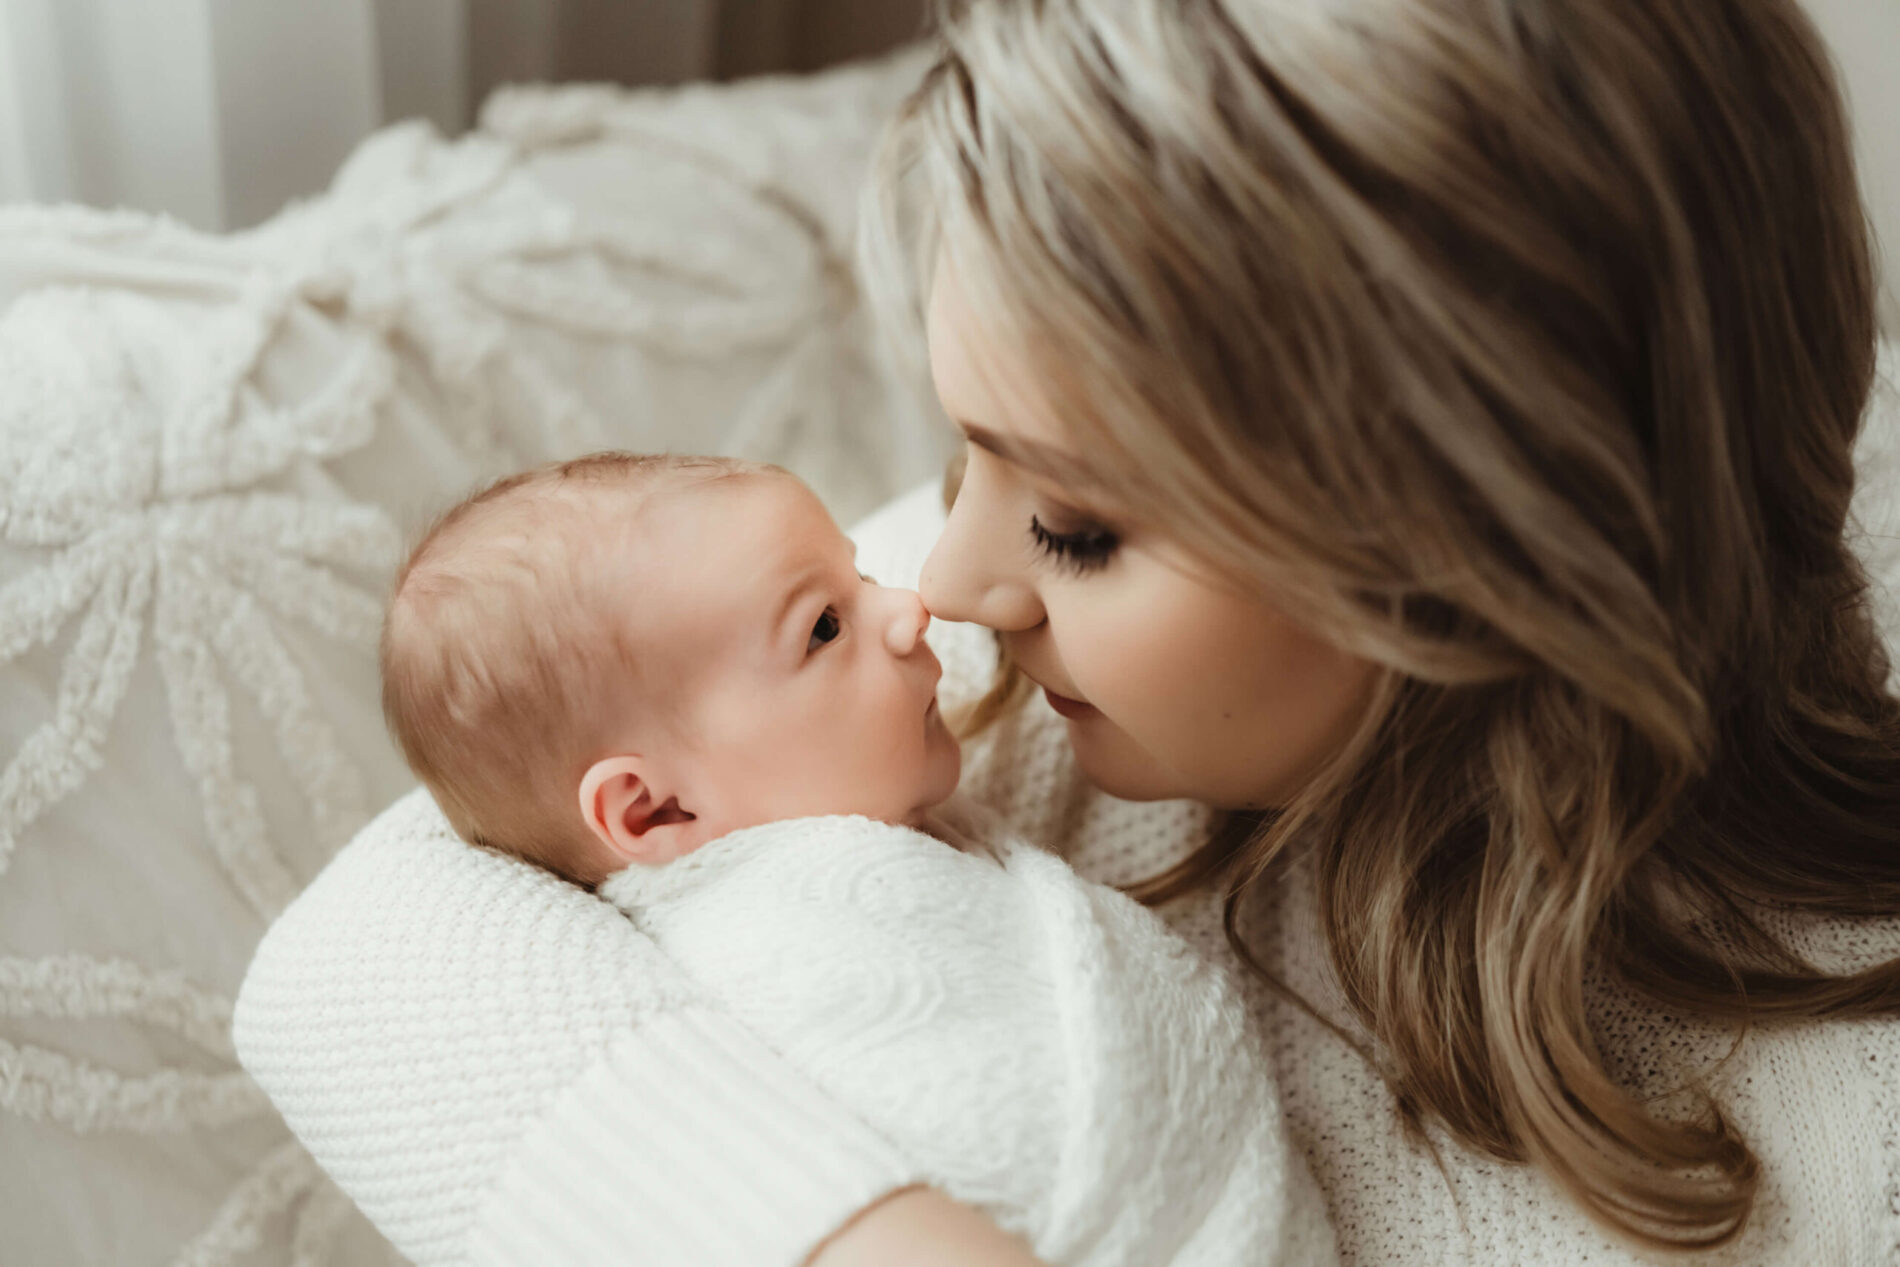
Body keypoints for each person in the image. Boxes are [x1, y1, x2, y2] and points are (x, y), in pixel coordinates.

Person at [236, 0, 1900, 1262]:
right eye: (965, 458)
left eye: (1077, 527)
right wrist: (841, 1227)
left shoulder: (1838, 1120)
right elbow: (345, 962)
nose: (945, 582)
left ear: (1491, 549)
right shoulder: (968, 705)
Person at [370, 450, 1333, 1265]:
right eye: (824, 627)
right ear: (657, 808)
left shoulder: (876, 815)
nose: (911, 607)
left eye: (861, 576)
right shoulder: (768, 954)